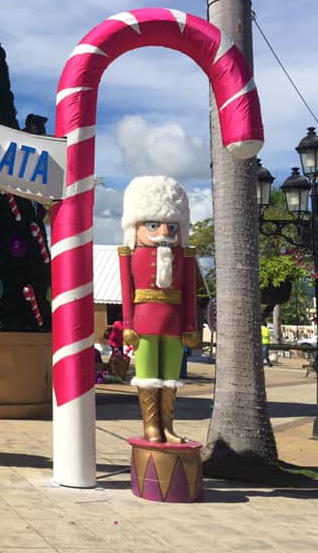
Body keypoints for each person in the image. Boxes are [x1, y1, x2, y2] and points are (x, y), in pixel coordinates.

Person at [119, 175, 201, 443]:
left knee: (170, 378)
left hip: (175, 321)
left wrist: (191, 325)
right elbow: (126, 293)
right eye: (153, 225)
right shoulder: (130, 255)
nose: (164, 232)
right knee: (147, 377)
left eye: (170, 226)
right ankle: (151, 426)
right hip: (143, 322)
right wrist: (128, 325)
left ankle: (168, 425)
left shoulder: (185, 257)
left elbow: (190, 294)